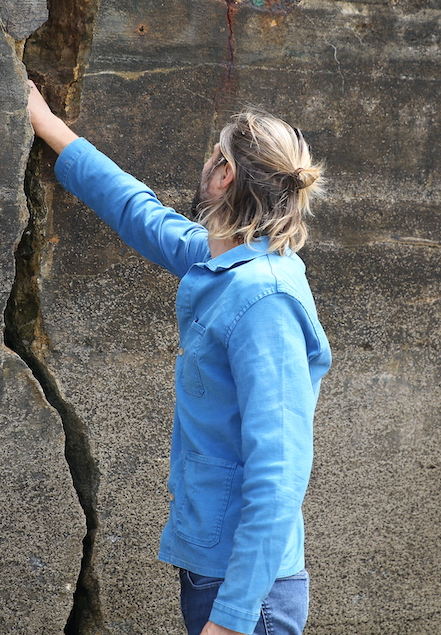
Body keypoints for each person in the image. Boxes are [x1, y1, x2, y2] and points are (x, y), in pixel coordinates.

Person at [26, 80, 332, 635]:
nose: (205, 165)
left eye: (212, 154)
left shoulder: (264, 298)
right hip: (215, 572)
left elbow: (281, 471)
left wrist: (233, 619)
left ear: (225, 174)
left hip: (247, 597)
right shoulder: (228, 263)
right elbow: (143, 215)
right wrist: (48, 126)